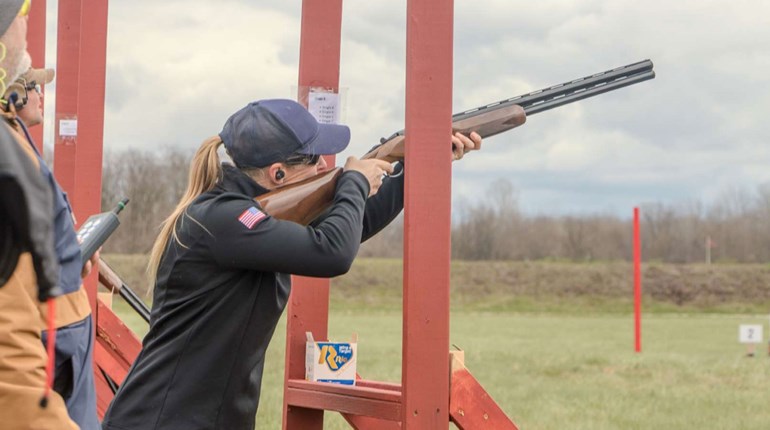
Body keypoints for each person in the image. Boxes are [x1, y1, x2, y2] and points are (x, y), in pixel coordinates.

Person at [102, 99, 481, 429]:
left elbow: (355, 223)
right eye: (315, 159)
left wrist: (416, 165)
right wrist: (352, 181)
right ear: (278, 173)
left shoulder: (247, 217)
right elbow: (333, 252)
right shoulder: (225, 219)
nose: (323, 167)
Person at [0, 30, 100, 430]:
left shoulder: (15, 145)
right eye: (34, 85)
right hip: (48, 346)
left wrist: (69, 257)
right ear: (15, 94)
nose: (42, 93)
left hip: (59, 339)